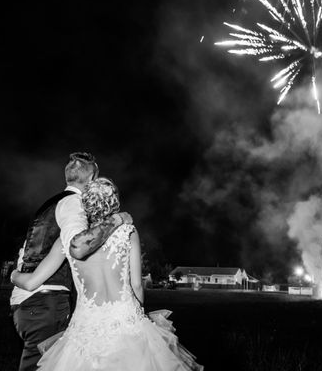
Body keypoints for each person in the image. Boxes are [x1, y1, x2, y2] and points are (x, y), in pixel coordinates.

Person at [11, 177, 202, 370]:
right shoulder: (128, 232)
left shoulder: (68, 241)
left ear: (86, 205)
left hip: (85, 330)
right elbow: (136, 284)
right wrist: (139, 318)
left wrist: (14, 276)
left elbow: (31, 283)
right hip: (126, 323)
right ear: (114, 203)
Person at [10, 152, 131, 371]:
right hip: (45, 305)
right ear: (93, 179)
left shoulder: (49, 204)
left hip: (27, 300)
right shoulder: (73, 203)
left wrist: (15, 275)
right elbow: (78, 246)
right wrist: (117, 219)